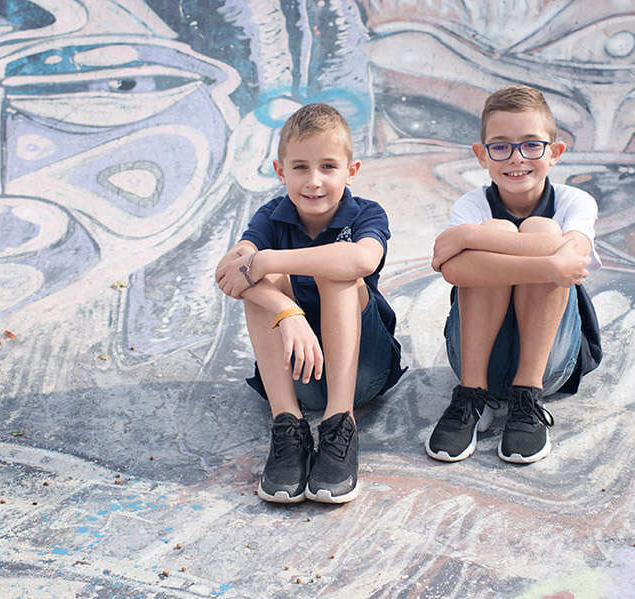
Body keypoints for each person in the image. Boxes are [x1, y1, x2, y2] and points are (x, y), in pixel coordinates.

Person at [216, 104, 403, 503]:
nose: (314, 181)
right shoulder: (271, 217)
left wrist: (268, 259)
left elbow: (362, 259)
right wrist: (286, 311)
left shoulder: (367, 213)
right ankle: (289, 427)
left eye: (328, 167)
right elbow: (228, 271)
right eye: (300, 167)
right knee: (262, 283)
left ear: (351, 171)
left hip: (360, 374)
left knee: (336, 271)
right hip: (295, 372)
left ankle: (340, 424)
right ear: (280, 171)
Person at [427, 84, 602, 464]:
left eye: (531, 145)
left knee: (541, 229)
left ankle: (527, 397)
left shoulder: (576, 202)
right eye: (501, 146)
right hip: (475, 360)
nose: (516, 158)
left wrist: (471, 238)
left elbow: (572, 253)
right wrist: (547, 265)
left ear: (555, 153)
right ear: (481, 155)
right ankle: (471, 395)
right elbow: (455, 271)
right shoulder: (471, 205)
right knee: (502, 231)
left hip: (552, 363)